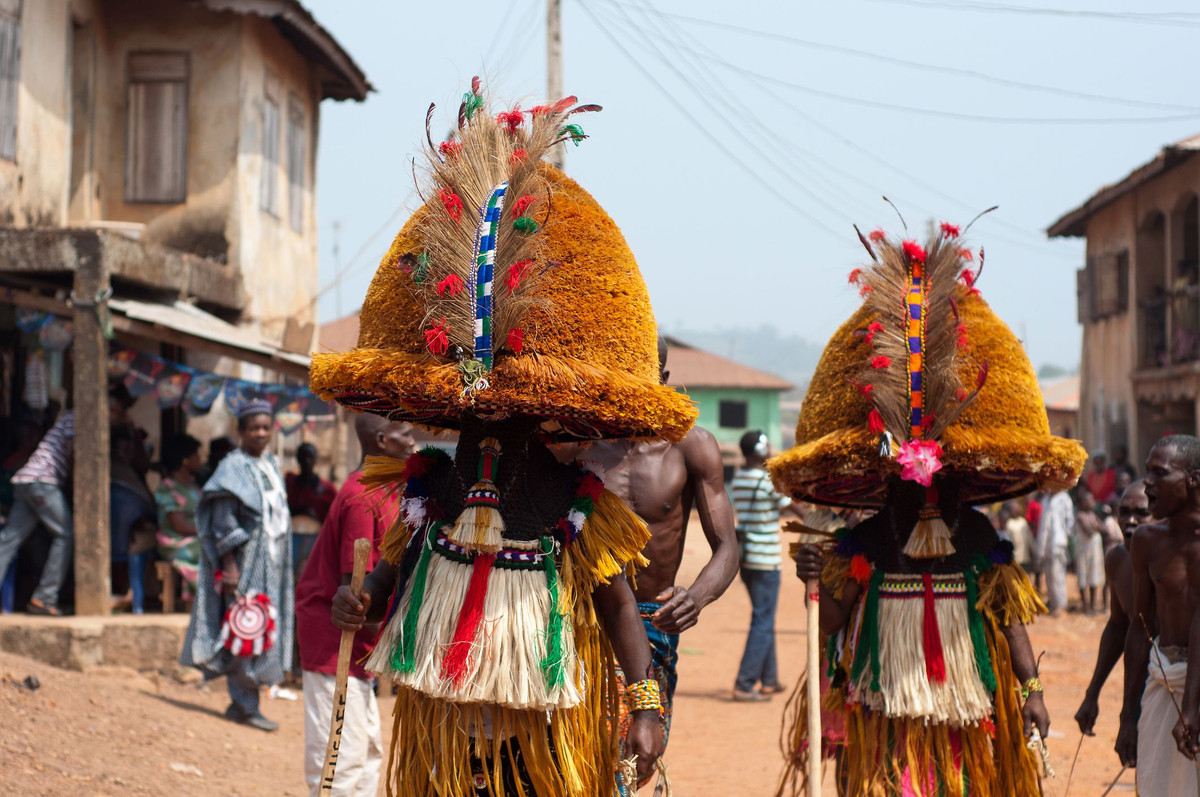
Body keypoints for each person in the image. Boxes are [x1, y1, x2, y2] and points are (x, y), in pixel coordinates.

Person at [313, 82, 692, 796]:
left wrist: (645, 706)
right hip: (448, 723)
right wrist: (357, 599)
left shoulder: (572, 499)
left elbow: (615, 602)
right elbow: (387, 575)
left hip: (544, 728)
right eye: (471, 411)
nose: (485, 420)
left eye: (500, 410)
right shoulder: (430, 487)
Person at [774, 222, 1086, 795]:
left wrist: (1032, 694)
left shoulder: (977, 537)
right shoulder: (869, 539)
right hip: (884, 715)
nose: (924, 491)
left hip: (963, 719)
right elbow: (832, 627)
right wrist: (814, 584)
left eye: (935, 479)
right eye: (912, 480)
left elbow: (1012, 627)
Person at [569, 338, 739, 753]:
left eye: (638, 372)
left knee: (639, 755)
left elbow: (727, 545)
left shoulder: (691, 445)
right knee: (576, 753)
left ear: (662, 378)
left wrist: (696, 597)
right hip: (578, 616)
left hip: (652, 618)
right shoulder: (576, 446)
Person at [296, 415, 414, 797]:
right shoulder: (362, 496)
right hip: (337, 642)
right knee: (340, 759)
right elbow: (353, 590)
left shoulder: (386, 492)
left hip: (359, 648)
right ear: (381, 440)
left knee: (367, 756)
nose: (413, 443)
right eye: (405, 435)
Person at [179, 400, 294, 731]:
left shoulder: (270, 464)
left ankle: (243, 702)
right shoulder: (232, 469)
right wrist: (230, 566)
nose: (260, 433)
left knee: (264, 630)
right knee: (248, 628)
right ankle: (245, 704)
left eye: (265, 427)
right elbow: (222, 522)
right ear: (240, 431)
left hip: (273, 563)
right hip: (246, 564)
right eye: (253, 427)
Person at [1117, 435, 1200, 793]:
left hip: (1192, 687)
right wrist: (1127, 715)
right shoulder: (1147, 540)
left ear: (1193, 480)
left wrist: (1192, 706)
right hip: (1164, 677)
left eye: (1159, 473)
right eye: (1147, 471)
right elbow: (1139, 626)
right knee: (1157, 785)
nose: (1147, 482)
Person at [1074, 480, 1151, 736]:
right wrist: (1092, 694)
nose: (1130, 522)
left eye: (1141, 513)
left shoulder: (1178, 565)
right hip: (1142, 687)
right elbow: (1119, 626)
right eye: (1124, 513)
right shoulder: (1117, 560)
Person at [732, 429, 800, 701]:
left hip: (746, 558)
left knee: (764, 616)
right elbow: (795, 509)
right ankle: (745, 683)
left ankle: (769, 679)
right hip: (766, 560)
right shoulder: (766, 482)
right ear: (761, 451)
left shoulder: (738, 480)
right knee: (762, 619)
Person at [0, 405, 74, 615]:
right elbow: (78, 455)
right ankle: (45, 597)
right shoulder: (79, 416)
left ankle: (44, 597)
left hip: (27, 480)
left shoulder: (66, 417)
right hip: (43, 482)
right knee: (66, 534)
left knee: (8, 540)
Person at [155, 434, 204, 601]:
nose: (200, 459)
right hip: (176, 542)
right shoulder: (167, 488)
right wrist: (208, 532)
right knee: (216, 548)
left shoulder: (192, 486)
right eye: (196, 455)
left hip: (195, 538)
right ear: (185, 460)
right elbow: (179, 526)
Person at [1038, 488, 1075, 616]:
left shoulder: (1064, 498)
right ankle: (1054, 603)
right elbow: (1043, 525)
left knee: (1058, 574)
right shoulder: (1045, 500)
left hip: (1058, 542)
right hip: (1046, 543)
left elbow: (1070, 520)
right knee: (1049, 576)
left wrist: (1065, 535)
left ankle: (1061, 604)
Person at [1074, 490, 1107, 615]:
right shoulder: (1080, 516)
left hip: (1094, 551)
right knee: (1083, 576)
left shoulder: (1093, 515)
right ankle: (1085, 606)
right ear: (1082, 503)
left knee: (1094, 576)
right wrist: (1097, 527)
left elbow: (1103, 528)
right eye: (1088, 500)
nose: (1092, 502)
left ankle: (1093, 606)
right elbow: (1089, 530)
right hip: (1083, 551)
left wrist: (1098, 527)